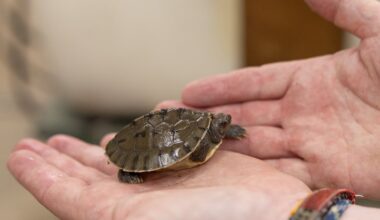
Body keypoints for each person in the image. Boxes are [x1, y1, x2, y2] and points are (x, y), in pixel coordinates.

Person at [7, 0, 380, 219]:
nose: (224, 124)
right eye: (222, 123)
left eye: (221, 124)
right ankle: (129, 166)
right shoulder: (204, 136)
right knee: (150, 146)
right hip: (142, 140)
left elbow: (212, 131)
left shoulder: (211, 134)